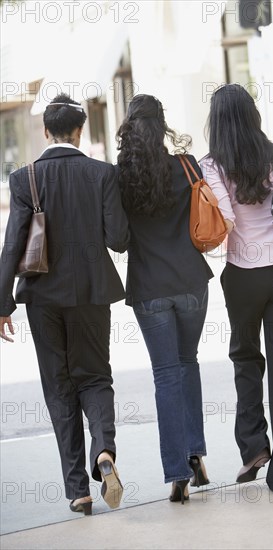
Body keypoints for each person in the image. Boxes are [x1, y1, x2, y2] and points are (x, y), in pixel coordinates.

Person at [0, 94, 129, 514]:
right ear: (81, 131)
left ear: (45, 132)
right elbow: (119, 240)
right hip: (93, 293)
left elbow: (12, 247)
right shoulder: (102, 173)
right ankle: (104, 450)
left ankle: (78, 489)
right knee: (94, 377)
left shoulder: (24, 179)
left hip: (42, 297)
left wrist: (3, 304)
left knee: (59, 386)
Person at [200, 84, 273, 494]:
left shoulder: (210, 165)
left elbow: (224, 222)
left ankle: (253, 447)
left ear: (217, 121)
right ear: (252, 115)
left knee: (246, 358)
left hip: (243, 276)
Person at [116, 94, 214, 504]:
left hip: (150, 289)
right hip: (192, 282)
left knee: (166, 374)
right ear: (162, 126)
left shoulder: (118, 177)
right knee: (187, 363)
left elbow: (118, 240)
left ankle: (177, 471)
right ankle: (196, 454)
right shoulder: (187, 165)